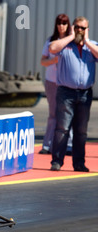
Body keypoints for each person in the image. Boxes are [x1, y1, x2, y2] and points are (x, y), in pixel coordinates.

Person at [49, 16, 98, 172]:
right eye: (77, 27)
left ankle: (79, 163)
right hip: (66, 92)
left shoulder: (91, 47)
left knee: (81, 131)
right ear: (72, 27)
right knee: (62, 128)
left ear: (87, 30)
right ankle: (57, 161)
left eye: (83, 28)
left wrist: (87, 41)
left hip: (85, 94)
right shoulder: (65, 45)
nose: (79, 30)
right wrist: (70, 36)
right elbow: (52, 49)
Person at [40, 14, 72, 155]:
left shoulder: (71, 41)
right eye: (59, 23)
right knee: (53, 114)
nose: (61, 26)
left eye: (64, 23)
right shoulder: (51, 41)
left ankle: (69, 145)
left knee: (67, 114)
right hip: (52, 81)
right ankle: (47, 145)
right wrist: (54, 61)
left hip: (66, 82)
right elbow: (43, 61)